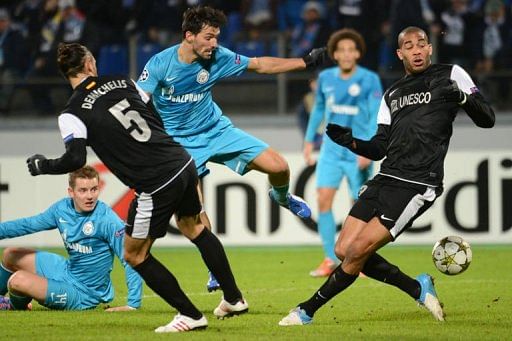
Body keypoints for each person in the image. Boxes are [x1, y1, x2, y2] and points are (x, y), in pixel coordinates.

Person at [279, 26, 495, 326]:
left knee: (357, 251)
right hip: (386, 177)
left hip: (419, 182)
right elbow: (380, 148)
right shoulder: (393, 93)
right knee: (344, 249)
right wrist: (351, 142)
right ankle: (418, 288)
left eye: (421, 44)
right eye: (409, 46)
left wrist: (461, 97)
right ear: (400, 53)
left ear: (430, 48)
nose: (416, 50)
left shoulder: (451, 74)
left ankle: (307, 310)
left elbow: (488, 118)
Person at [25, 42, 248, 333]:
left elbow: (76, 158)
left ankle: (191, 315)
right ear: (91, 64)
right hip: (181, 160)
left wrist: (43, 166)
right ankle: (233, 298)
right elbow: (150, 109)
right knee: (193, 227)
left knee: (134, 255)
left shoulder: (71, 112)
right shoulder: (120, 80)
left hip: (155, 180)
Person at [136, 5, 326, 291]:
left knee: (280, 167)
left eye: (217, 37)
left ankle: (282, 197)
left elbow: (261, 64)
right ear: (189, 36)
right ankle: (216, 270)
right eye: (209, 37)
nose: (215, 44)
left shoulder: (218, 57)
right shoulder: (160, 64)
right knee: (195, 211)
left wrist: (305, 61)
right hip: (179, 143)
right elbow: (138, 100)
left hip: (217, 130)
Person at [0, 166, 142, 311]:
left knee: (17, 281)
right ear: (71, 192)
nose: (90, 196)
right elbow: (28, 225)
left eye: (94, 189)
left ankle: (13, 306)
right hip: (67, 271)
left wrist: (132, 304)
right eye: (83, 190)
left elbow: (130, 258)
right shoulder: (62, 209)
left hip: (84, 293)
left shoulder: (108, 220)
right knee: (10, 254)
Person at [303, 28, 382, 278]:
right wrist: (307, 142)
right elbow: (318, 110)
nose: (347, 54)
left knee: (358, 205)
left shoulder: (369, 79)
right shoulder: (326, 77)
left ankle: (357, 260)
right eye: (342, 50)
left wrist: (368, 149)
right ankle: (329, 258)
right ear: (335, 54)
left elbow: (375, 116)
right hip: (330, 151)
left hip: (357, 149)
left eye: (351, 49)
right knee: (323, 200)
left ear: (358, 53)